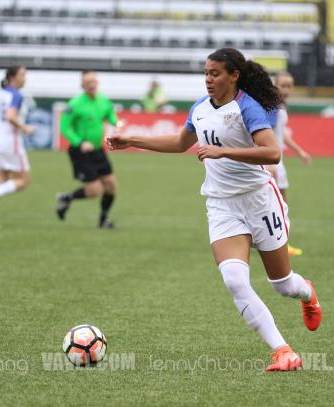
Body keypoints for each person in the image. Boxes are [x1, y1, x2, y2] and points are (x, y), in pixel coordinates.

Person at [106, 48, 322, 372]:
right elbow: (181, 143)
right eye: (206, 73)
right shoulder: (200, 108)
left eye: (215, 73)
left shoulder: (247, 108)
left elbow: (273, 152)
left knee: (283, 284)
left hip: (259, 200)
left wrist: (224, 152)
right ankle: (283, 351)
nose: (208, 79)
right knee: (235, 280)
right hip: (222, 205)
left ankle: (308, 294)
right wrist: (133, 140)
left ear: (234, 76)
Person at [56, 70, 120, 229]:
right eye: (88, 82)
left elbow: (110, 114)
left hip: (98, 151)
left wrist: (116, 123)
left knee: (111, 185)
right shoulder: (74, 104)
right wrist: (80, 142)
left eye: (94, 82)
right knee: (94, 190)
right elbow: (64, 127)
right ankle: (67, 198)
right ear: (82, 85)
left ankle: (103, 220)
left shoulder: (103, 101)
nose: (92, 85)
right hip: (81, 152)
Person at [0, 65, 35, 230]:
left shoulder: (1, 93)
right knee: (23, 181)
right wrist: (24, 128)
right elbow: (10, 116)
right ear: (12, 77)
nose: (25, 78)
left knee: (1, 180)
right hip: (10, 143)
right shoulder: (16, 95)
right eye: (22, 75)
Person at [266, 72, 312, 257]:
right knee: (279, 205)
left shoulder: (279, 106)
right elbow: (265, 133)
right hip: (273, 162)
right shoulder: (272, 106)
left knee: (276, 204)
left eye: (289, 86)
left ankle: (273, 241)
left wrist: (300, 151)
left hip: (276, 161)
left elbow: (281, 134)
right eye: (283, 85)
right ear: (275, 85)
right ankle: (281, 244)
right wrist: (269, 162)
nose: (286, 89)